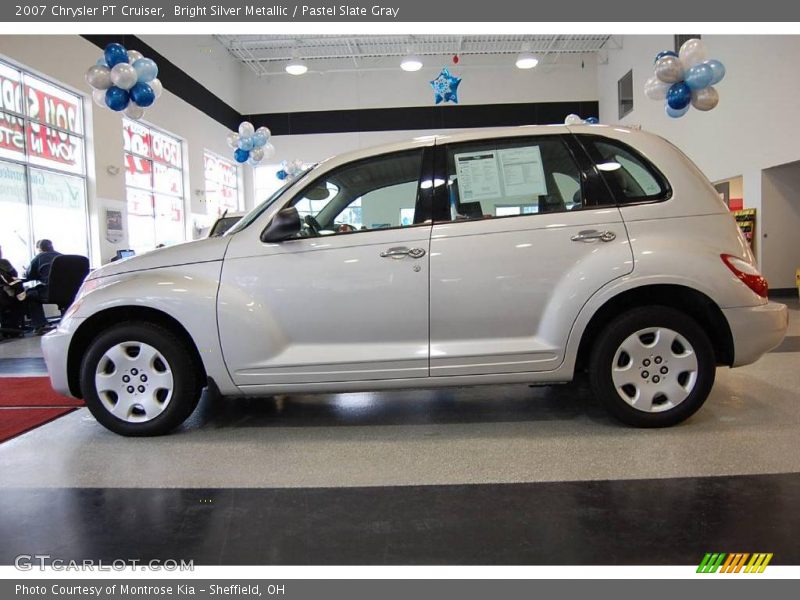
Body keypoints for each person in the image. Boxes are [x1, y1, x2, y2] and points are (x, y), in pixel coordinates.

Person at [24, 239, 62, 335]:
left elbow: (29, 276)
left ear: (40, 249)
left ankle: (39, 325)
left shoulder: (39, 258)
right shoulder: (62, 257)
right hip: (69, 293)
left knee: (30, 294)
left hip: (49, 292)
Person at [0, 245, 26, 337]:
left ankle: (8, 330)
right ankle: (14, 329)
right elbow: (14, 275)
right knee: (22, 298)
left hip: (4, 295)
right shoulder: (4, 262)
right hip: (6, 295)